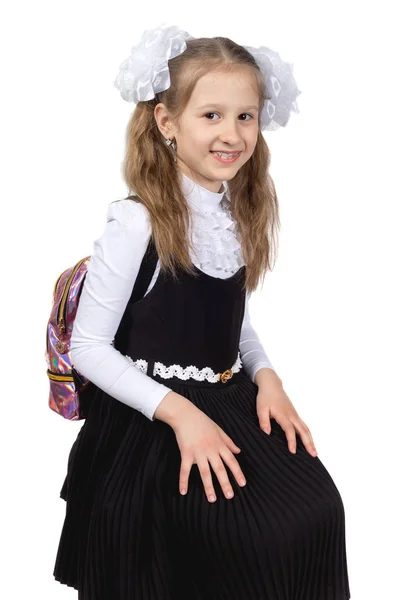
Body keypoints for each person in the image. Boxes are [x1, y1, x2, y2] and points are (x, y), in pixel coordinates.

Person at [53, 22, 351, 600]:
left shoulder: (234, 211)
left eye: (245, 116)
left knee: (316, 510)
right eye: (210, 115)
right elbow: (87, 347)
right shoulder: (136, 222)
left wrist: (267, 377)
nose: (232, 134)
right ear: (167, 122)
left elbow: (230, 318)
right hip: (153, 420)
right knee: (247, 539)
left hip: (232, 396)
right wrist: (182, 415)